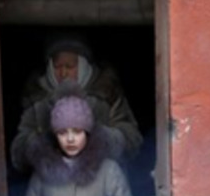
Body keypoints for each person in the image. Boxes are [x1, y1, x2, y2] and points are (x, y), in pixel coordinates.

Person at [11, 35, 142, 173]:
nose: (63, 73)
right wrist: (39, 143)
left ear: (84, 65)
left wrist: (103, 138)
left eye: (70, 66)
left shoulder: (106, 93)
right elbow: (17, 153)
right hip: (50, 183)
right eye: (57, 67)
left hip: (100, 182)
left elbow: (133, 140)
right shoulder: (37, 99)